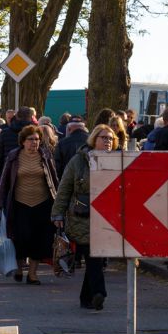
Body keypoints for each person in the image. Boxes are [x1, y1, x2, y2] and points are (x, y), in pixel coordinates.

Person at [53, 124, 115, 309]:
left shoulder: (118, 161)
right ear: (93, 139)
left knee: (96, 257)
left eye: (111, 138)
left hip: (107, 216)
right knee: (93, 255)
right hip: (83, 216)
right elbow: (65, 189)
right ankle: (99, 292)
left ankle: (85, 298)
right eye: (103, 137)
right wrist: (57, 213)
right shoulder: (78, 161)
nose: (107, 141)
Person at [0, 124, 59, 284]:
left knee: (39, 239)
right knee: (20, 238)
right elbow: (4, 180)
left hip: (43, 204)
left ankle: (33, 274)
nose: (34, 143)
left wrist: (59, 203)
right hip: (19, 204)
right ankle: (18, 267)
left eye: (37, 139)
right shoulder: (14, 156)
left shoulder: (45, 155)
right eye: (31, 139)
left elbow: (54, 179)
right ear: (23, 141)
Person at [0, 106, 35, 190]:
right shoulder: (35, 134)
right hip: (30, 178)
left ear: (17, 116)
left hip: (7, 176)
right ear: (31, 118)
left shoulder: (4, 133)